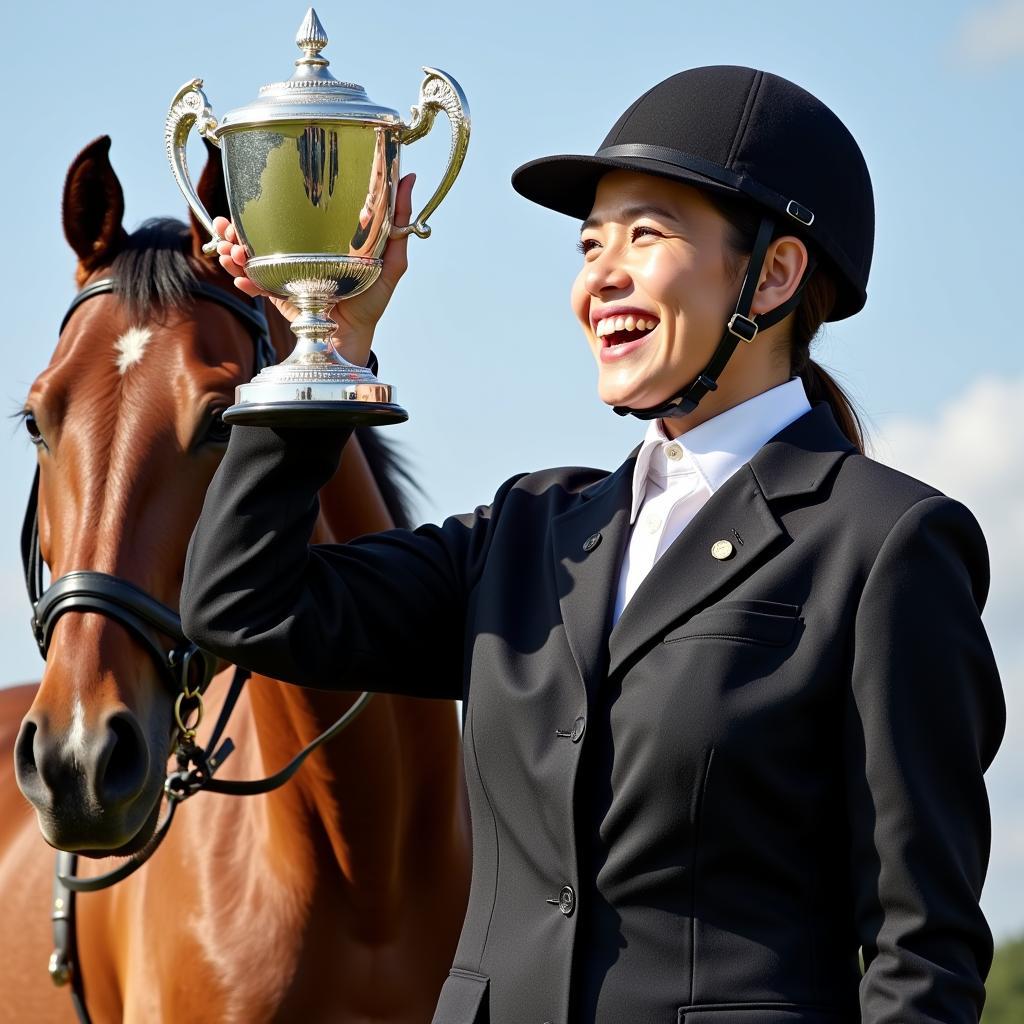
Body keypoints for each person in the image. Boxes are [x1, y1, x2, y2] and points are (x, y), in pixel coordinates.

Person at [181, 66, 1006, 1024]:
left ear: (774, 274)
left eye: (645, 235)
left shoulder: (886, 544)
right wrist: (324, 356)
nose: (599, 275)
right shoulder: (530, 534)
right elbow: (244, 604)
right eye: (589, 244)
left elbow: (922, 950)